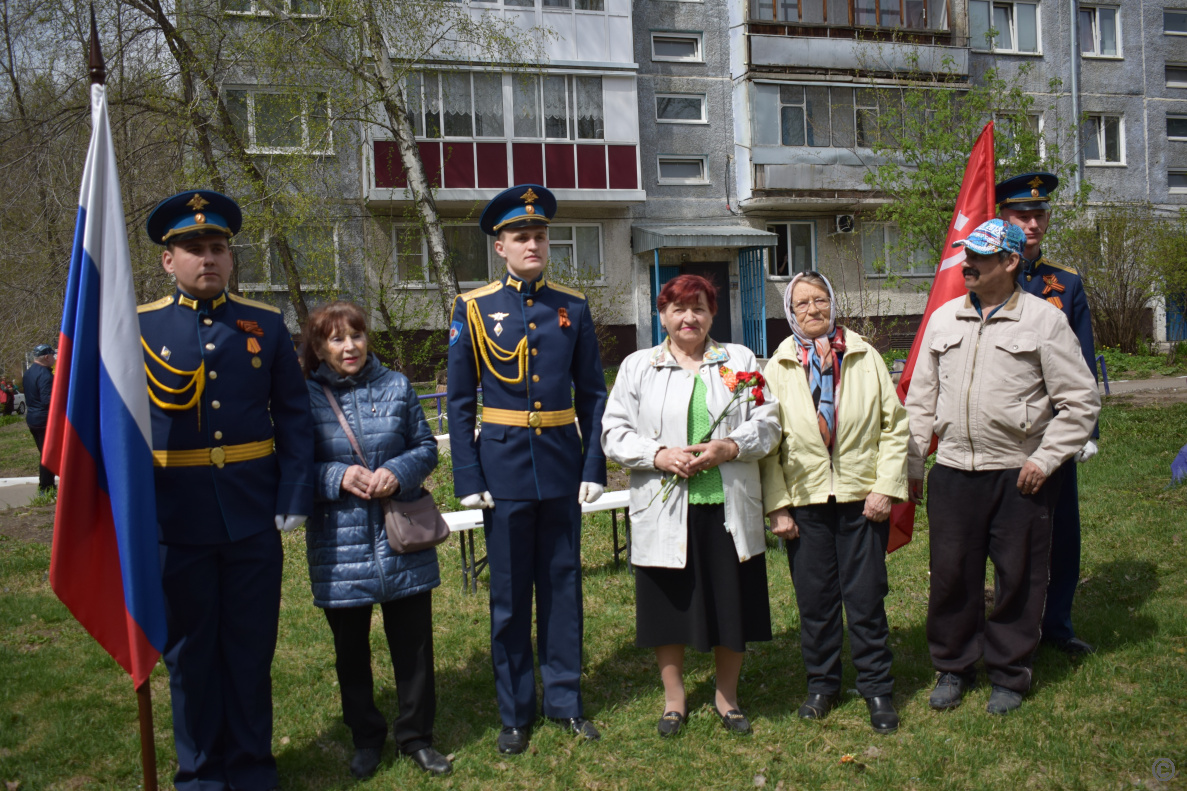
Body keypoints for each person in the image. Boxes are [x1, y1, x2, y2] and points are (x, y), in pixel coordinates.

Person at [138, 190, 313, 791]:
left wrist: (292, 496)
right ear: (169, 260)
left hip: (251, 516)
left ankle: (252, 767)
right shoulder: (137, 328)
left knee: (248, 651)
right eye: (193, 249)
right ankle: (201, 774)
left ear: (231, 258)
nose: (207, 258)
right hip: (173, 519)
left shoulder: (262, 324)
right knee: (189, 657)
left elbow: (293, 416)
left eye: (217, 248)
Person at [905, 219, 1100, 715]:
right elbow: (921, 400)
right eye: (966, 254)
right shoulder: (945, 320)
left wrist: (1045, 458)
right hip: (951, 470)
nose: (967, 264)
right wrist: (910, 465)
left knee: (1019, 577)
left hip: (1019, 474)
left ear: (1010, 263)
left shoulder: (1044, 321)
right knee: (951, 576)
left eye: (980, 257)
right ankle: (953, 667)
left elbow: (1079, 401)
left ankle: (1010, 673)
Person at [446, 184, 608, 755]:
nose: (532, 243)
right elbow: (460, 400)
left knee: (563, 588)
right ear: (500, 247)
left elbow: (592, 393)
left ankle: (564, 700)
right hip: (504, 470)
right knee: (510, 596)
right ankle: (515, 711)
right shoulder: (473, 308)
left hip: (562, 466)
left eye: (539, 235)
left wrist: (595, 465)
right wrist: (468, 477)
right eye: (521, 236)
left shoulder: (575, 307)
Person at [602, 274, 780, 737]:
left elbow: (769, 422)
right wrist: (657, 455)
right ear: (662, 314)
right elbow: (613, 432)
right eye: (679, 309)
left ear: (712, 314)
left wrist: (731, 447)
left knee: (731, 603)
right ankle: (674, 699)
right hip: (665, 510)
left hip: (726, 507)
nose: (689, 318)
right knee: (670, 607)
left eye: (699, 308)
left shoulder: (738, 360)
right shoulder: (639, 366)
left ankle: (727, 697)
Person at [303, 301, 451, 779]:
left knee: (413, 648)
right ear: (320, 348)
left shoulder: (397, 386)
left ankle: (416, 737)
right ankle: (366, 738)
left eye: (356, 335)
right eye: (336, 339)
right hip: (339, 548)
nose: (349, 347)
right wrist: (338, 475)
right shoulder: (303, 398)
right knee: (351, 653)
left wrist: (396, 471)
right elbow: (293, 467)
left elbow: (426, 448)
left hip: (401, 540)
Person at [759, 271, 908, 735]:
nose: (813, 310)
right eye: (801, 303)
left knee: (866, 599)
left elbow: (895, 427)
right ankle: (822, 686)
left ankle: (877, 688)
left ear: (833, 302)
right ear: (790, 311)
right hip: (805, 502)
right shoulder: (777, 366)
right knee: (816, 602)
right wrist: (777, 505)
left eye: (820, 299)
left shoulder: (865, 356)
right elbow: (767, 445)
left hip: (862, 498)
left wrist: (885, 487)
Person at [998, 172, 1099, 656]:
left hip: (1055, 432)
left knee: (1062, 532)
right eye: (1022, 215)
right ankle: (1006, 618)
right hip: (1003, 429)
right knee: (1006, 532)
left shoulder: (1066, 284)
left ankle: (1056, 624)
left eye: (1039, 214)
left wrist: (1086, 432)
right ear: (1002, 218)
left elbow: (1082, 360)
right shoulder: (983, 277)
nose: (1033, 223)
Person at [22, 344, 56, 493]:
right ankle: (46, 488)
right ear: (47, 357)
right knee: (48, 454)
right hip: (44, 420)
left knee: (45, 452)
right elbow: (47, 399)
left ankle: (47, 486)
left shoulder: (29, 373)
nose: (54, 359)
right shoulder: (45, 375)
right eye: (53, 356)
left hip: (33, 419)